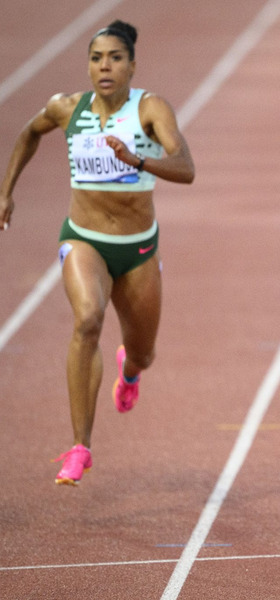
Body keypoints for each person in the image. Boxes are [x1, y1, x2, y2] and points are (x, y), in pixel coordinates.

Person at [0, 20, 195, 485]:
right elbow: (29, 133)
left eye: (115, 58)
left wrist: (138, 161)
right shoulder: (67, 108)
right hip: (83, 237)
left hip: (138, 248)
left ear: (131, 65)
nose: (104, 66)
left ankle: (129, 371)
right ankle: (80, 447)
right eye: (96, 58)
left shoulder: (149, 109)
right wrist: (6, 192)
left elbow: (186, 167)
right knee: (87, 319)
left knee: (144, 353)